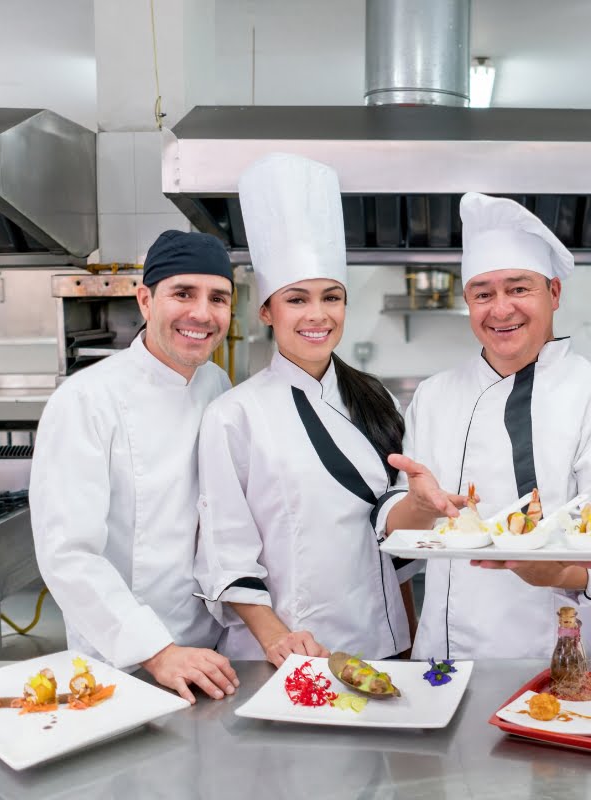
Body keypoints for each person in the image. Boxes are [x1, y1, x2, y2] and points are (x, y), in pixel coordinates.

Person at [194, 154, 461, 666]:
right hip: (288, 654)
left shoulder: (372, 397)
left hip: (380, 648)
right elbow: (226, 553)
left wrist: (403, 644)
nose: (317, 315)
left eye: (331, 297)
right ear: (267, 312)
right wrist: (280, 643)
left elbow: (391, 547)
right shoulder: (234, 415)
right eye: (297, 299)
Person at [404, 192, 591, 659]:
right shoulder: (433, 396)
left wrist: (549, 571)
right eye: (483, 294)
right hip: (441, 653)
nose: (500, 309)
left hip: (556, 655)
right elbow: (412, 524)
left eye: (518, 289)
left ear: (554, 293)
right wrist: (413, 505)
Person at [31, 230, 239, 704]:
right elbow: (68, 555)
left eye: (218, 298)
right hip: (119, 661)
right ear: (145, 300)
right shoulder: (85, 401)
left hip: (207, 654)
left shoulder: (216, 383)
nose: (202, 314)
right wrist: (157, 651)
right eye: (183, 293)